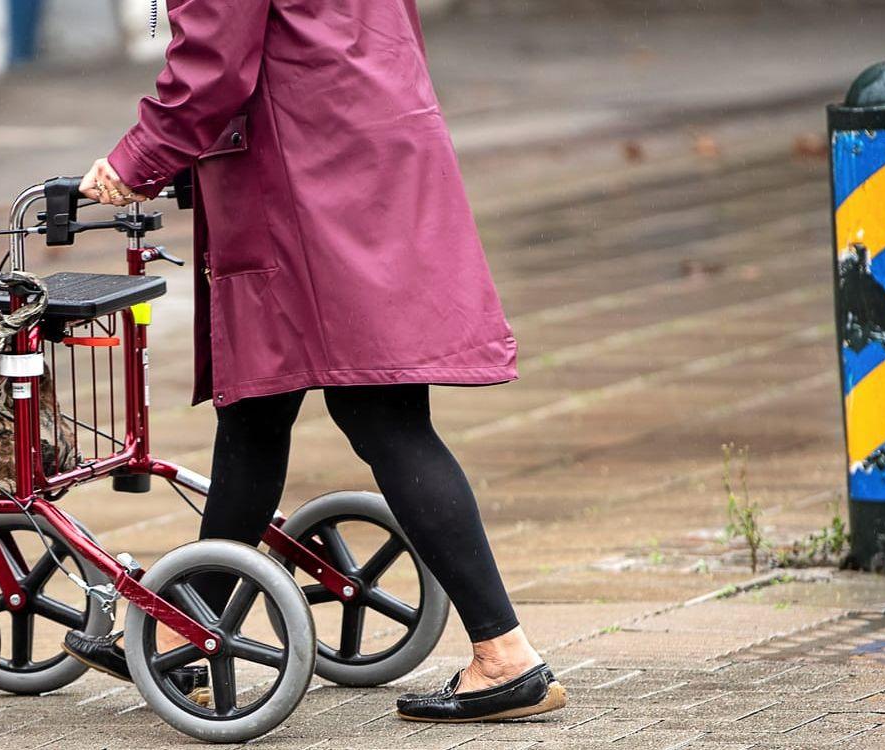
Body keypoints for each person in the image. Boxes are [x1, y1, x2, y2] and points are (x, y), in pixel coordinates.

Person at [61, 0, 565, 723]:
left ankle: (505, 655)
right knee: (255, 407)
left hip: (309, 179)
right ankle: (188, 634)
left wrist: (133, 160)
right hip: (366, 149)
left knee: (379, 412)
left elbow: (212, 67)